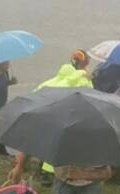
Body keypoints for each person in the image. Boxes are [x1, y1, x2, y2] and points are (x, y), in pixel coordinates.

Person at [35, 50, 93, 186]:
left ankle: (43, 170)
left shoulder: (57, 79)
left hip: (49, 114)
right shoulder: (84, 82)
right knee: (63, 147)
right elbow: (89, 100)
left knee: (49, 143)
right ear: (85, 63)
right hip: (69, 118)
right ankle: (53, 174)